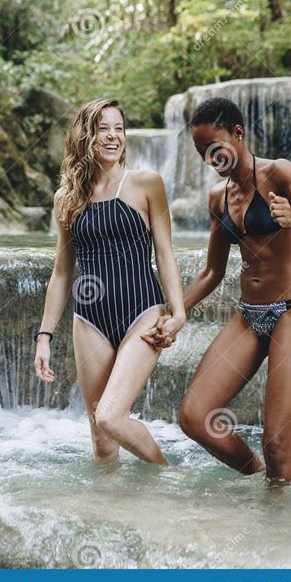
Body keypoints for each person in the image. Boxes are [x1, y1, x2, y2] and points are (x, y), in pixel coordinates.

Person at [143, 97, 291, 483]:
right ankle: (258, 479)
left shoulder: (279, 172)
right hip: (250, 315)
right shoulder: (218, 198)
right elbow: (212, 271)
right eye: (200, 152)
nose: (209, 159)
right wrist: (175, 314)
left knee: (277, 442)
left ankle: (279, 525)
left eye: (214, 147)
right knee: (194, 417)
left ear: (238, 133)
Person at [34, 98, 186, 466]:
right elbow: (62, 272)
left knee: (109, 416)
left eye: (119, 128)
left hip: (143, 313)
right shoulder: (66, 198)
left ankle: (167, 478)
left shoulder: (146, 183)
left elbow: (164, 254)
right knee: (102, 443)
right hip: (89, 320)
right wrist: (44, 336)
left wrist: (178, 311)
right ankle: (110, 514)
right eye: (104, 128)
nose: (113, 136)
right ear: (86, 136)